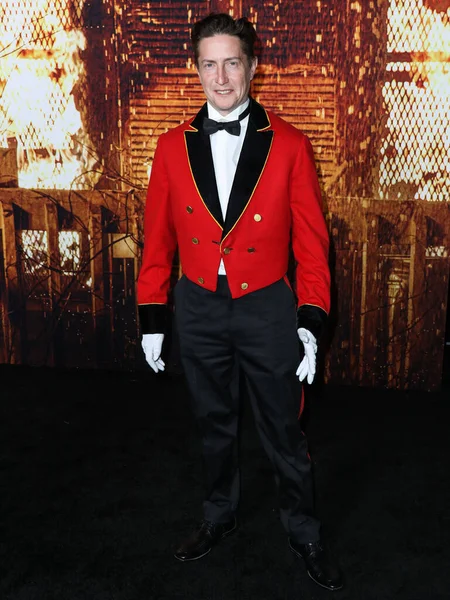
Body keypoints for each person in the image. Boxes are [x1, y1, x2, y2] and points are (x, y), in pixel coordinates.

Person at [137, 13, 343, 592]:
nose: (222, 77)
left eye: (233, 62)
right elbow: (157, 239)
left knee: (283, 428)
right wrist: (154, 315)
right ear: (194, 69)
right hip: (199, 308)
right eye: (210, 64)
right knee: (212, 424)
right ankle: (217, 515)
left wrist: (309, 322)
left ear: (252, 66)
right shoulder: (172, 146)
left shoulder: (291, 144)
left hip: (266, 308)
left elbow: (311, 245)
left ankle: (304, 531)